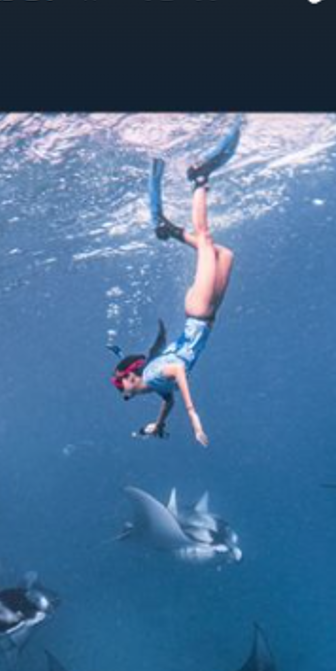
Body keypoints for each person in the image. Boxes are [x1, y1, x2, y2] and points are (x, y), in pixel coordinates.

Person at [110, 119, 240, 447]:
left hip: (199, 311)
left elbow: (178, 374)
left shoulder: (154, 375)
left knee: (208, 240)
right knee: (225, 255)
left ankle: (198, 178)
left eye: (120, 387)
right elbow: (167, 401)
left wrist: (195, 416)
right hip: (204, 314)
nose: (123, 395)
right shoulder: (155, 384)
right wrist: (156, 425)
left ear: (130, 378)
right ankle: (169, 229)